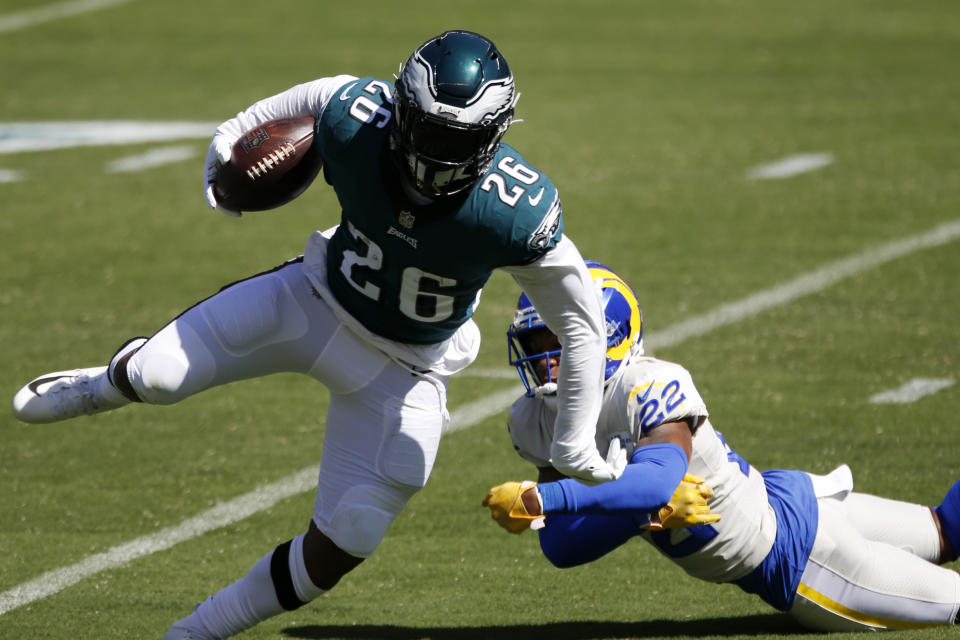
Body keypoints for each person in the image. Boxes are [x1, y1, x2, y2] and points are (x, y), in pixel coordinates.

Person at [11, 31, 619, 639]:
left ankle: (196, 631)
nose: (435, 156)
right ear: (400, 109)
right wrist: (226, 149)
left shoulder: (513, 208)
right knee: (157, 375)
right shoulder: (357, 117)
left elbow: (582, 324)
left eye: (455, 142)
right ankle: (106, 383)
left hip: (406, 370)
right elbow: (289, 105)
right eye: (427, 132)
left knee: (350, 533)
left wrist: (572, 444)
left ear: (492, 136)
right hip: (312, 301)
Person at [482, 260, 960, 631]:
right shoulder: (534, 420)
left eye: (557, 343)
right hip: (779, 504)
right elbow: (561, 544)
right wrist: (630, 515)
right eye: (534, 345)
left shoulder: (647, 383)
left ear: (604, 338)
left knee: (948, 542)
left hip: (802, 561)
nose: (544, 364)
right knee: (944, 533)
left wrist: (546, 497)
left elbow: (660, 478)